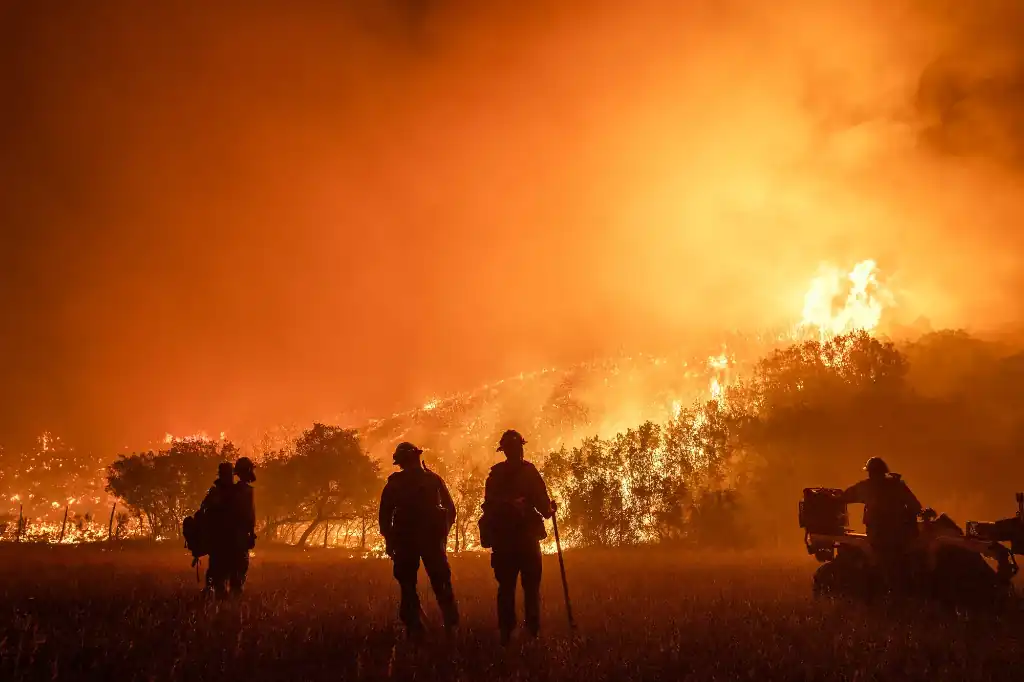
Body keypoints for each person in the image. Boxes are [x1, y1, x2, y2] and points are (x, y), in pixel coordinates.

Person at [480, 429, 556, 645]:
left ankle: (506, 633)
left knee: (506, 588)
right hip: (526, 539)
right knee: (531, 588)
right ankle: (532, 631)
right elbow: (544, 508)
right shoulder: (529, 472)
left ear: (504, 451)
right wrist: (551, 509)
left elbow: (488, 505)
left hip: (503, 542)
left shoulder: (495, 475)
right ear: (520, 448)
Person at [378, 442, 459, 638]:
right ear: (416, 457)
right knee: (441, 583)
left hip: (405, 542)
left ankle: (415, 630)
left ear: (400, 462)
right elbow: (450, 509)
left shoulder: (395, 483)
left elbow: (384, 517)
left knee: (408, 587)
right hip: (430, 541)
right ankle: (451, 628)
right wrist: (443, 534)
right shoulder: (433, 479)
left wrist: (390, 540)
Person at [841, 457, 923, 563]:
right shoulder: (897, 486)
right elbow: (916, 507)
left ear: (871, 473)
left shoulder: (868, 487)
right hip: (899, 537)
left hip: (878, 537)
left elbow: (846, 496)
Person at [199, 462, 237, 598]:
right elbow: (204, 509)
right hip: (219, 537)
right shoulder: (216, 492)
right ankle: (216, 593)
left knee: (224, 568)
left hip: (229, 537)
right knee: (217, 567)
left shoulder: (234, 492)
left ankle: (219, 594)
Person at [229, 456, 257, 596]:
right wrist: (251, 533)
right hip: (240, 534)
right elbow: (249, 515)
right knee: (241, 564)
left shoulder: (232, 490)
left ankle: (233, 590)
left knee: (234, 563)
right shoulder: (247, 491)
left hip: (231, 533)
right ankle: (236, 591)